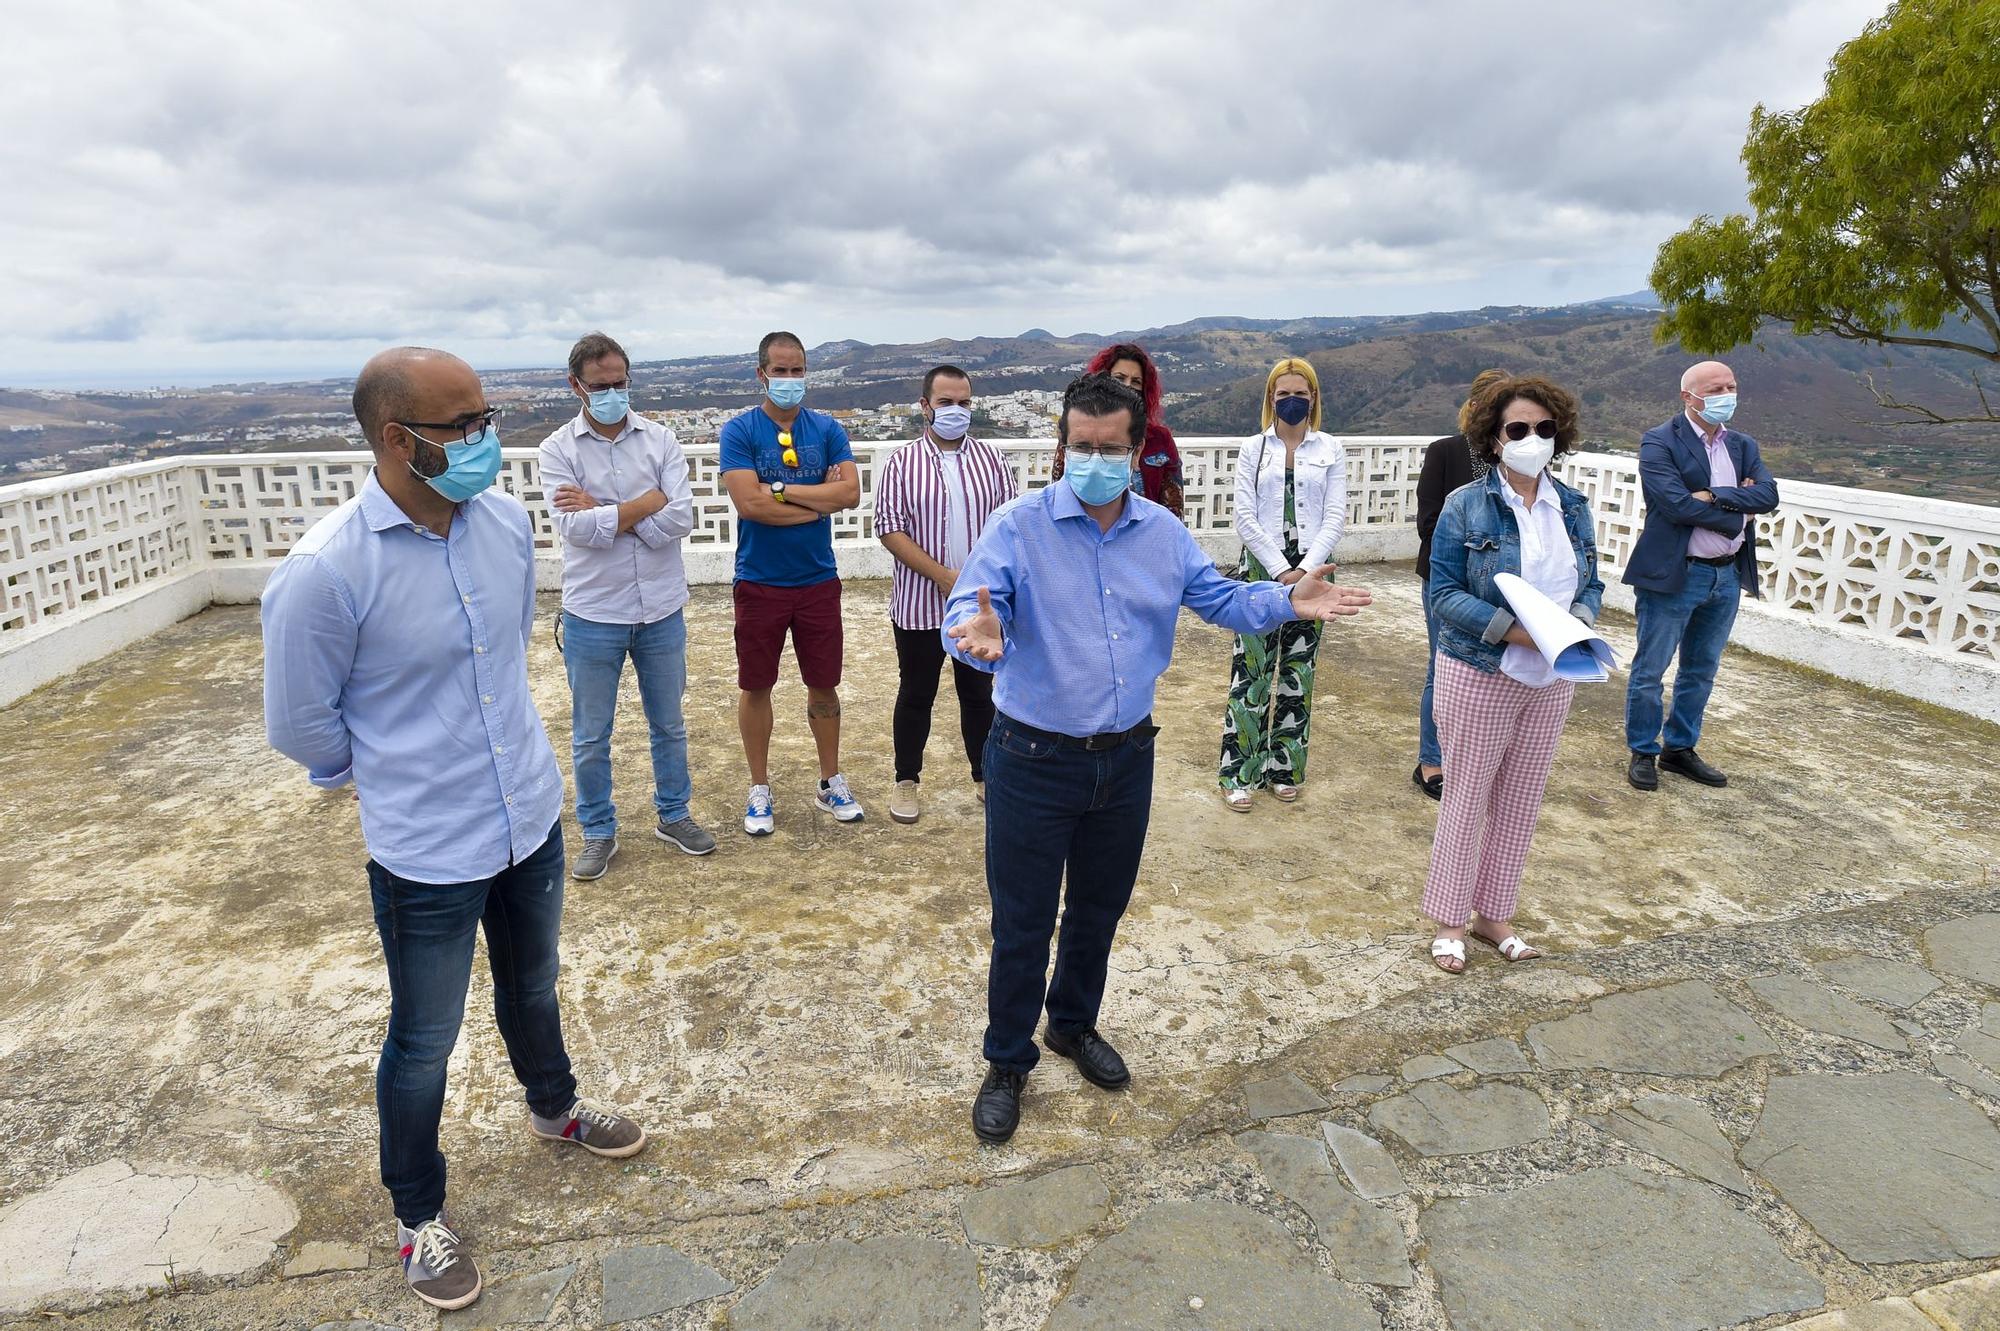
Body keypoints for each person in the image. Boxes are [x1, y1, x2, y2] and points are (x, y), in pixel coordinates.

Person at [262, 348, 647, 1314]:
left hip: (526, 807)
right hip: (426, 845)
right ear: (398, 440)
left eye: (489, 415)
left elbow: (505, 648)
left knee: (534, 982)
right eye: (465, 424)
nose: (488, 439)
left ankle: (553, 1106)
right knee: (424, 1037)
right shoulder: (326, 570)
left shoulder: (504, 524)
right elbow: (300, 722)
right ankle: (416, 1214)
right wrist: (391, 769)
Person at [944, 373, 1372, 1144]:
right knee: (1023, 920)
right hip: (1032, 755)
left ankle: (1071, 1026)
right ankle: (1007, 1060)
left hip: (1125, 757)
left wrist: (1285, 599)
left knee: (1098, 911)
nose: (1095, 459)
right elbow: (972, 610)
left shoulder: (1162, 534)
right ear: (1062, 446)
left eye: (1111, 448)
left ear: (1137, 451)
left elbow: (1220, 599)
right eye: (1081, 446)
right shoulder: (1018, 525)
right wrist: (979, 637)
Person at [1422, 374, 1604, 976]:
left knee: (1521, 800)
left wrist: (1575, 623)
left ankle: (1493, 915)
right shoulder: (1466, 505)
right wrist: (1515, 630)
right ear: (1494, 439)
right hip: (1482, 670)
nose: (1533, 438)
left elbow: (1592, 583)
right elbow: (1444, 591)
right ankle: (1450, 919)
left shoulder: (1572, 507)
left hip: (1554, 676)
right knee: (1467, 797)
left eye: (1544, 428)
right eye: (1518, 429)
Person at [537, 332, 713, 880]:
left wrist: (607, 511)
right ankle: (597, 829)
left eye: (620, 383)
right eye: (601, 385)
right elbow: (575, 528)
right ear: (576, 387)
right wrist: (643, 505)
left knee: (670, 724)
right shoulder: (557, 450)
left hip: (661, 608)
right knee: (592, 733)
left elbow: (680, 520)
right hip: (594, 613)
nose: (614, 392)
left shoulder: (660, 440)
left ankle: (674, 813)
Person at [718, 331, 864, 833]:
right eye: (779, 371)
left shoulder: (827, 429)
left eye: (797, 370)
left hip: (817, 579)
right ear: (761, 374)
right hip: (759, 580)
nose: (789, 379)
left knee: (824, 683)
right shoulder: (739, 431)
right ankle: (759, 787)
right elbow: (748, 505)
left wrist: (779, 491)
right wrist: (814, 500)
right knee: (756, 685)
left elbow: (850, 494)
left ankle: (830, 780)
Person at [1622, 361, 1779, 791]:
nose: (1727, 393)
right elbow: (1674, 505)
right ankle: (1643, 750)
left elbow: (1768, 496)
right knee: (1651, 669)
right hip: (1677, 573)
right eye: (1716, 388)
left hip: (1725, 577)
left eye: (1732, 385)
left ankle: (1680, 748)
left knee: (1701, 669)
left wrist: (1713, 495)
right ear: (1689, 397)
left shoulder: (1742, 445)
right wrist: (1736, 511)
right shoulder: (1659, 442)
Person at [873, 364, 1019, 824]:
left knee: (978, 693)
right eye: (945, 402)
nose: (956, 411)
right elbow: (889, 528)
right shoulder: (902, 462)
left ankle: (985, 776)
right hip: (919, 604)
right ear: (925, 406)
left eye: (964, 402)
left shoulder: (992, 461)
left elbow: (1010, 525)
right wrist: (940, 575)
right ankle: (906, 780)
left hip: (979, 606)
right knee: (916, 692)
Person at [1217, 356, 1347, 809]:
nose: (1292, 401)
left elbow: (1334, 515)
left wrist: (1307, 569)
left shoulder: (1330, 449)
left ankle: (1285, 766)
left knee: (1297, 672)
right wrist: (1281, 572)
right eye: (1283, 394)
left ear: (1313, 398)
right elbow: (1245, 518)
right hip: (1261, 570)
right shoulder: (1254, 449)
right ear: (1271, 399)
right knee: (1251, 669)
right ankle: (1239, 772)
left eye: (1300, 393)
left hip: (1316, 570)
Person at [1411, 368, 1509, 801]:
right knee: (1443, 669)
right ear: (1474, 408)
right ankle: (1432, 761)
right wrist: (1479, 557)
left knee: (1497, 675)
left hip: (1502, 590)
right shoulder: (1444, 452)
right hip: (1447, 583)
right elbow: (1429, 524)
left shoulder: (1516, 457)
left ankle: (1478, 764)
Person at [1049, 343, 1185, 518]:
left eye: (1136, 381)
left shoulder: (1160, 439)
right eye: (1120, 378)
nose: (1128, 386)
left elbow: (1174, 502)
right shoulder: (1077, 433)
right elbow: (1059, 485)